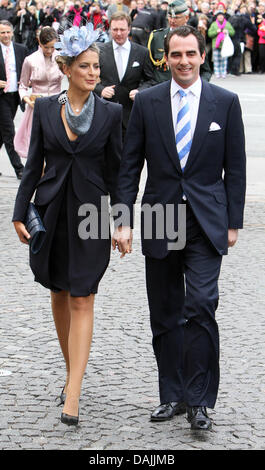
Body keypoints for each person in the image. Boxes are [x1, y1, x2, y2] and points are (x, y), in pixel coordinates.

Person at [112, 25, 246, 431]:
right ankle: (172, 394)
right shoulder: (149, 102)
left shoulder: (225, 102)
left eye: (190, 54)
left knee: (202, 305)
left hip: (207, 219)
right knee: (165, 311)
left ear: (203, 56)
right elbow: (129, 166)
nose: (183, 61)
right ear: (165, 58)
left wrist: (234, 222)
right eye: (176, 55)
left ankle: (201, 400)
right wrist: (121, 220)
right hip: (160, 216)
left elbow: (236, 168)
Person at [12, 23, 122, 426]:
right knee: (58, 293)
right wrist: (19, 212)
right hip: (53, 210)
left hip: (92, 215)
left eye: (97, 66)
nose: (94, 73)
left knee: (82, 296)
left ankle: (73, 390)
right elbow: (31, 167)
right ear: (67, 68)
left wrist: (123, 222)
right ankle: (71, 370)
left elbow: (119, 174)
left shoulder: (112, 113)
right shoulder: (43, 109)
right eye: (85, 66)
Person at [94, 11, 154, 139]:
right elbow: (90, 79)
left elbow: (150, 80)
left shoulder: (142, 52)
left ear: (129, 29)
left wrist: (140, 91)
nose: (119, 33)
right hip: (106, 114)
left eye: (122, 29)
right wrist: (101, 90)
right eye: (115, 29)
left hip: (132, 116)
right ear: (110, 29)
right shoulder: (99, 51)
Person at [14, 26, 63, 159]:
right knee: (36, 147)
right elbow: (23, 86)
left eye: (52, 47)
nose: (49, 50)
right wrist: (27, 99)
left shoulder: (61, 58)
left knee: (55, 145)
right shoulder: (30, 60)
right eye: (46, 47)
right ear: (39, 43)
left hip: (56, 105)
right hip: (36, 106)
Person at [148, 0, 212, 83]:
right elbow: (149, 69)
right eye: (170, 17)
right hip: (161, 88)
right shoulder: (157, 37)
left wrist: (198, 86)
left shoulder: (195, 37)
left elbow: (205, 71)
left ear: (186, 18)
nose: (172, 20)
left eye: (176, 17)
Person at [0, 19, 27, 179]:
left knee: (2, 133)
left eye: (8, 32)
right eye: (2, 32)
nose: (6, 35)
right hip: (1, 97)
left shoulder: (20, 49)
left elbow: (27, 69)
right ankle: (19, 169)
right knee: (9, 132)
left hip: (14, 96)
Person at [208, 9, 235, 79]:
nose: (220, 17)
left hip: (224, 45)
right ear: (217, 17)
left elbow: (233, 32)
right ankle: (217, 73)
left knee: (224, 60)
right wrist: (216, 32)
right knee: (216, 60)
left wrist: (228, 31)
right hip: (216, 45)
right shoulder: (214, 24)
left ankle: (223, 73)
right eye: (219, 16)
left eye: (221, 16)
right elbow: (209, 34)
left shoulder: (227, 24)